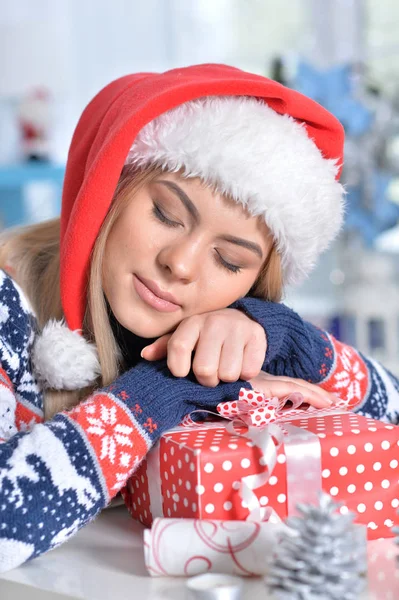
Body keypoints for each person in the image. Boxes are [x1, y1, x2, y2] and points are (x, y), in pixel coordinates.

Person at [0, 63, 398, 573]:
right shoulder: (10, 306)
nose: (181, 264)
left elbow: (392, 415)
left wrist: (284, 337)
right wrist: (168, 385)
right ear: (110, 188)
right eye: (166, 214)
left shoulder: (228, 327)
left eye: (229, 260)